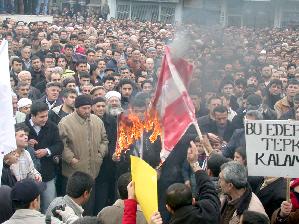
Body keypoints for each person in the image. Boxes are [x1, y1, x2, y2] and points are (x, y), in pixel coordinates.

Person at [58, 94, 108, 215]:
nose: (87, 111)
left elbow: (104, 140)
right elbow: (61, 144)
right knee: (74, 210)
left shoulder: (97, 120)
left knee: (90, 207)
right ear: (76, 108)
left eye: (88, 108)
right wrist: (71, 159)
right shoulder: (65, 123)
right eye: (84, 108)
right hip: (74, 174)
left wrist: (100, 154)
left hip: (93, 173)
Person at [24, 101, 63, 213]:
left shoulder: (52, 127)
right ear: (33, 116)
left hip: (47, 173)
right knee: (30, 209)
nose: (45, 119)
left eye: (46, 115)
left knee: (50, 206)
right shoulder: (23, 126)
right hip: (29, 175)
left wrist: (47, 151)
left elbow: (59, 145)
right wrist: (26, 143)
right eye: (41, 117)